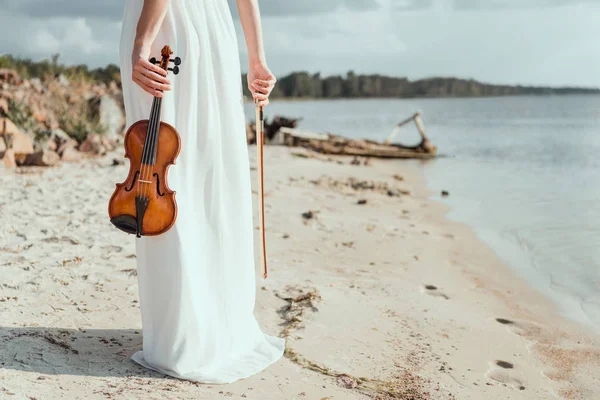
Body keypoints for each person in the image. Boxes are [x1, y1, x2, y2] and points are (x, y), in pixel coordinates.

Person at [118, 0, 285, 384]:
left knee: (165, 170)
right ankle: (213, 324)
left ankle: (184, 335)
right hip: (213, 30)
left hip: (167, 28)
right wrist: (257, 58)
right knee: (207, 170)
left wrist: (140, 44)